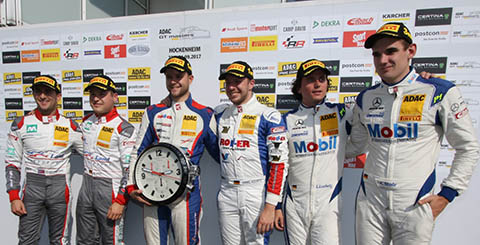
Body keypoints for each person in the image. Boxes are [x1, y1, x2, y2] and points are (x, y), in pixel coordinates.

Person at [348, 22, 480, 244]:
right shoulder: (366, 98)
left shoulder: (438, 91)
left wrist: (447, 194)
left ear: (411, 51)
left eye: (391, 51)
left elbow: (468, 147)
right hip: (371, 200)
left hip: (414, 202)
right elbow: (355, 146)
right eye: (376, 54)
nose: (382, 60)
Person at [127, 56, 219, 245]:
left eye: (179, 76)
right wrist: (130, 186)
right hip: (151, 190)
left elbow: (221, 154)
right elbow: (138, 150)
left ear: (190, 79)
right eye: (169, 77)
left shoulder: (205, 114)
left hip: (186, 195)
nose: (173, 81)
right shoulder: (152, 112)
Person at [278, 59, 352, 244]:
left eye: (322, 79)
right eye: (311, 79)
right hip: (295, 203)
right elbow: (279, 165)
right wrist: (278, 205)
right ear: (299, 87)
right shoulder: (287, 120)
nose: (318, 83)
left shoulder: (342, 113)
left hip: (329, 201)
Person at [215, 61, 289, 244]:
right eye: (228, 82)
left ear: (251, 84)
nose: (232, 87)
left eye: (237, 81)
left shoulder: (268, 115)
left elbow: (279, 164)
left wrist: (271, 205)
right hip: (227, 191)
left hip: (255, 192)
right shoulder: (219, 114)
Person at [5, 75, 83, 245]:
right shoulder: (21, 123)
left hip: (60, 186)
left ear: (58, 96)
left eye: (48, 92)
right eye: (38, 92)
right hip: (32, 186)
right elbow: (12, 163)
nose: (42, 96)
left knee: (60, 241)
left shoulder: (71, 126)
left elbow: (94, 153)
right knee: (26, 240)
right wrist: (13, 196)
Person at [76, 75, 136, 245]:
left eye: (101, 94)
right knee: (85, 241)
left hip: (110, 189)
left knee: (112, 241)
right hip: (86, 186)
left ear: (114, 97)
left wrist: (120, 201)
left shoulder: (124, 128)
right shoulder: (86, 122)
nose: (96, 98)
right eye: (92, 94)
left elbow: (130, 169)